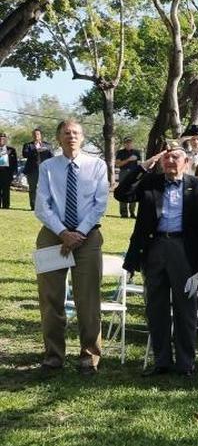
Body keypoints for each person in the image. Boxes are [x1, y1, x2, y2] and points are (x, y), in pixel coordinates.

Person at [117, 142, 198, 376]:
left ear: (186, 163)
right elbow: (122, 193)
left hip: (184, 249)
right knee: (156, 307)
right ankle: (161, 361)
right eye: (167, 158)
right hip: (154, 248)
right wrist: (143, 166)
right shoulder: (151, 182)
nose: (170, 161)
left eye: (175, 158)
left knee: (185, 308)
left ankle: (185, 363)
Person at [33, 119, 109, 374]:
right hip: (53, 235)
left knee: (87, 298)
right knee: (51, 298)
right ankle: (53, 356)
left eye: (76, 133)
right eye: (66, 133)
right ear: (58, 137)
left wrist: (78, 233)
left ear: (83, 137)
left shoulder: (97, 165)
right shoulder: (48, 167)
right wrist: (64, 232)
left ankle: (89, 356)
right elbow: (42, 206)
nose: (71, 136)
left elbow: (100, 204)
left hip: (87, 237)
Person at [23, 127, 53, 210]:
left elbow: (52, 157)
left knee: (46, 188)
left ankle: (46, 206)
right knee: (33, 188)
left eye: (38, 134)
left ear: (41, 135)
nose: (36, 136)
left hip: (45, 170)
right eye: (34, 134)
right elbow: (25, 154)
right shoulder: (28, 145)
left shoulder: (48, 145)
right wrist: (36, 150)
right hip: (32, 170)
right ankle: (34, 206)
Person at [114, 137, 141, 218]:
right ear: (124, 144)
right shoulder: (120, 152)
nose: (128, 144)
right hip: (124, 173)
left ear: (133, 143)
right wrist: (129, 159)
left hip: (134, 173)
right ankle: (124, 213)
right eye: (127, 143)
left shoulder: (137, 152)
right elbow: (118, 164)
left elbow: (139, 164)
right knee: (122, 191)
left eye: (130, 142)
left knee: (134, 191)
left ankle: (132, 213)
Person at [0, 132, 16, 209]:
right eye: (0, 138)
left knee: (6, 189)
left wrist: (14, 173)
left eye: (3, 139)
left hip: (7, 172)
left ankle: (6, 205)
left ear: (6, 140)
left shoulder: (11, 150)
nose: (1, 140)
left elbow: (14, 162)